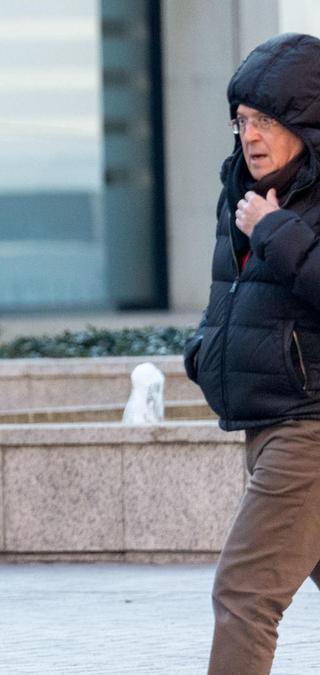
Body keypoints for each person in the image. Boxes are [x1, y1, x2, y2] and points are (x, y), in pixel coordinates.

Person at [182, 33, 320, 675]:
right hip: (269, 421)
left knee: (243, 594)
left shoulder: (280, 211)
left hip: (309, 429)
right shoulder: (241, 191)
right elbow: (232, 295)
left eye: (268, 120)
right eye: (243, 122)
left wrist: (275, 232)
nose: (252, 137)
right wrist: (208, 349)